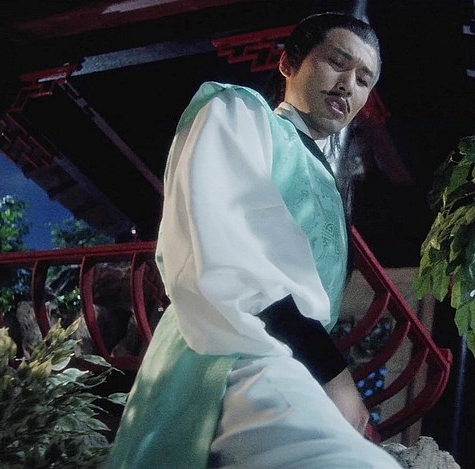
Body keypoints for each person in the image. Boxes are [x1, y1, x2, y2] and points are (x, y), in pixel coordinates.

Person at [106, 12, 402, 469]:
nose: (349, 85)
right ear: (288, 63)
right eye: (337, 63)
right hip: (228, 344)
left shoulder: (327, 180)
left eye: (364, 80)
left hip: (290, 360)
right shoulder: (238, 112)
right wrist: (333, 373)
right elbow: (235, 253)